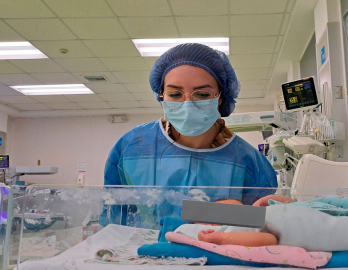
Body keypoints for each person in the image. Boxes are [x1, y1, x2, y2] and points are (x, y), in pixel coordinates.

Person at [101, 43, 278, 228]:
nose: (188, 104)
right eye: (175, 94)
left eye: (202, 94)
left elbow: (257, 228)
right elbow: (114, 220)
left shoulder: (248, 162)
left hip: (215, 255)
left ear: (221, 97)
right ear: (162, 95)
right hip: (141, 253)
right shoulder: (132, 147)